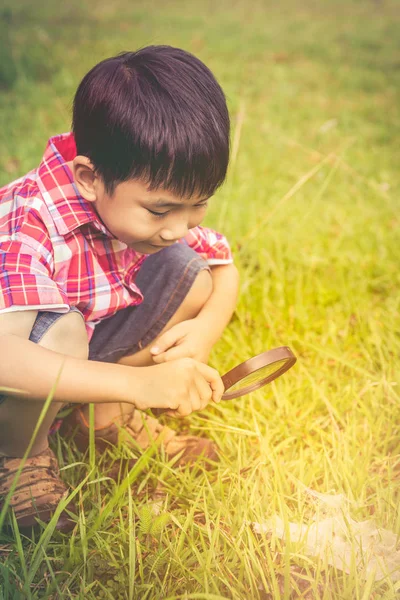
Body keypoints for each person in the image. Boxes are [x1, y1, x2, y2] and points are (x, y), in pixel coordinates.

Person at [0, 46, 239, 533]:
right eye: (161, 211)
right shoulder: (28, 223)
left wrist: (204, 332)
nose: (178, 225)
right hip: (17, 367)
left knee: (189, 272)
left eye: (197, 205)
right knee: (60, 327)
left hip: (68, 354)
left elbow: (223, 266)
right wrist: (141, 384)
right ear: (89, 177)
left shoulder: (133, 191)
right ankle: (18, 459)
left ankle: (100, 420)